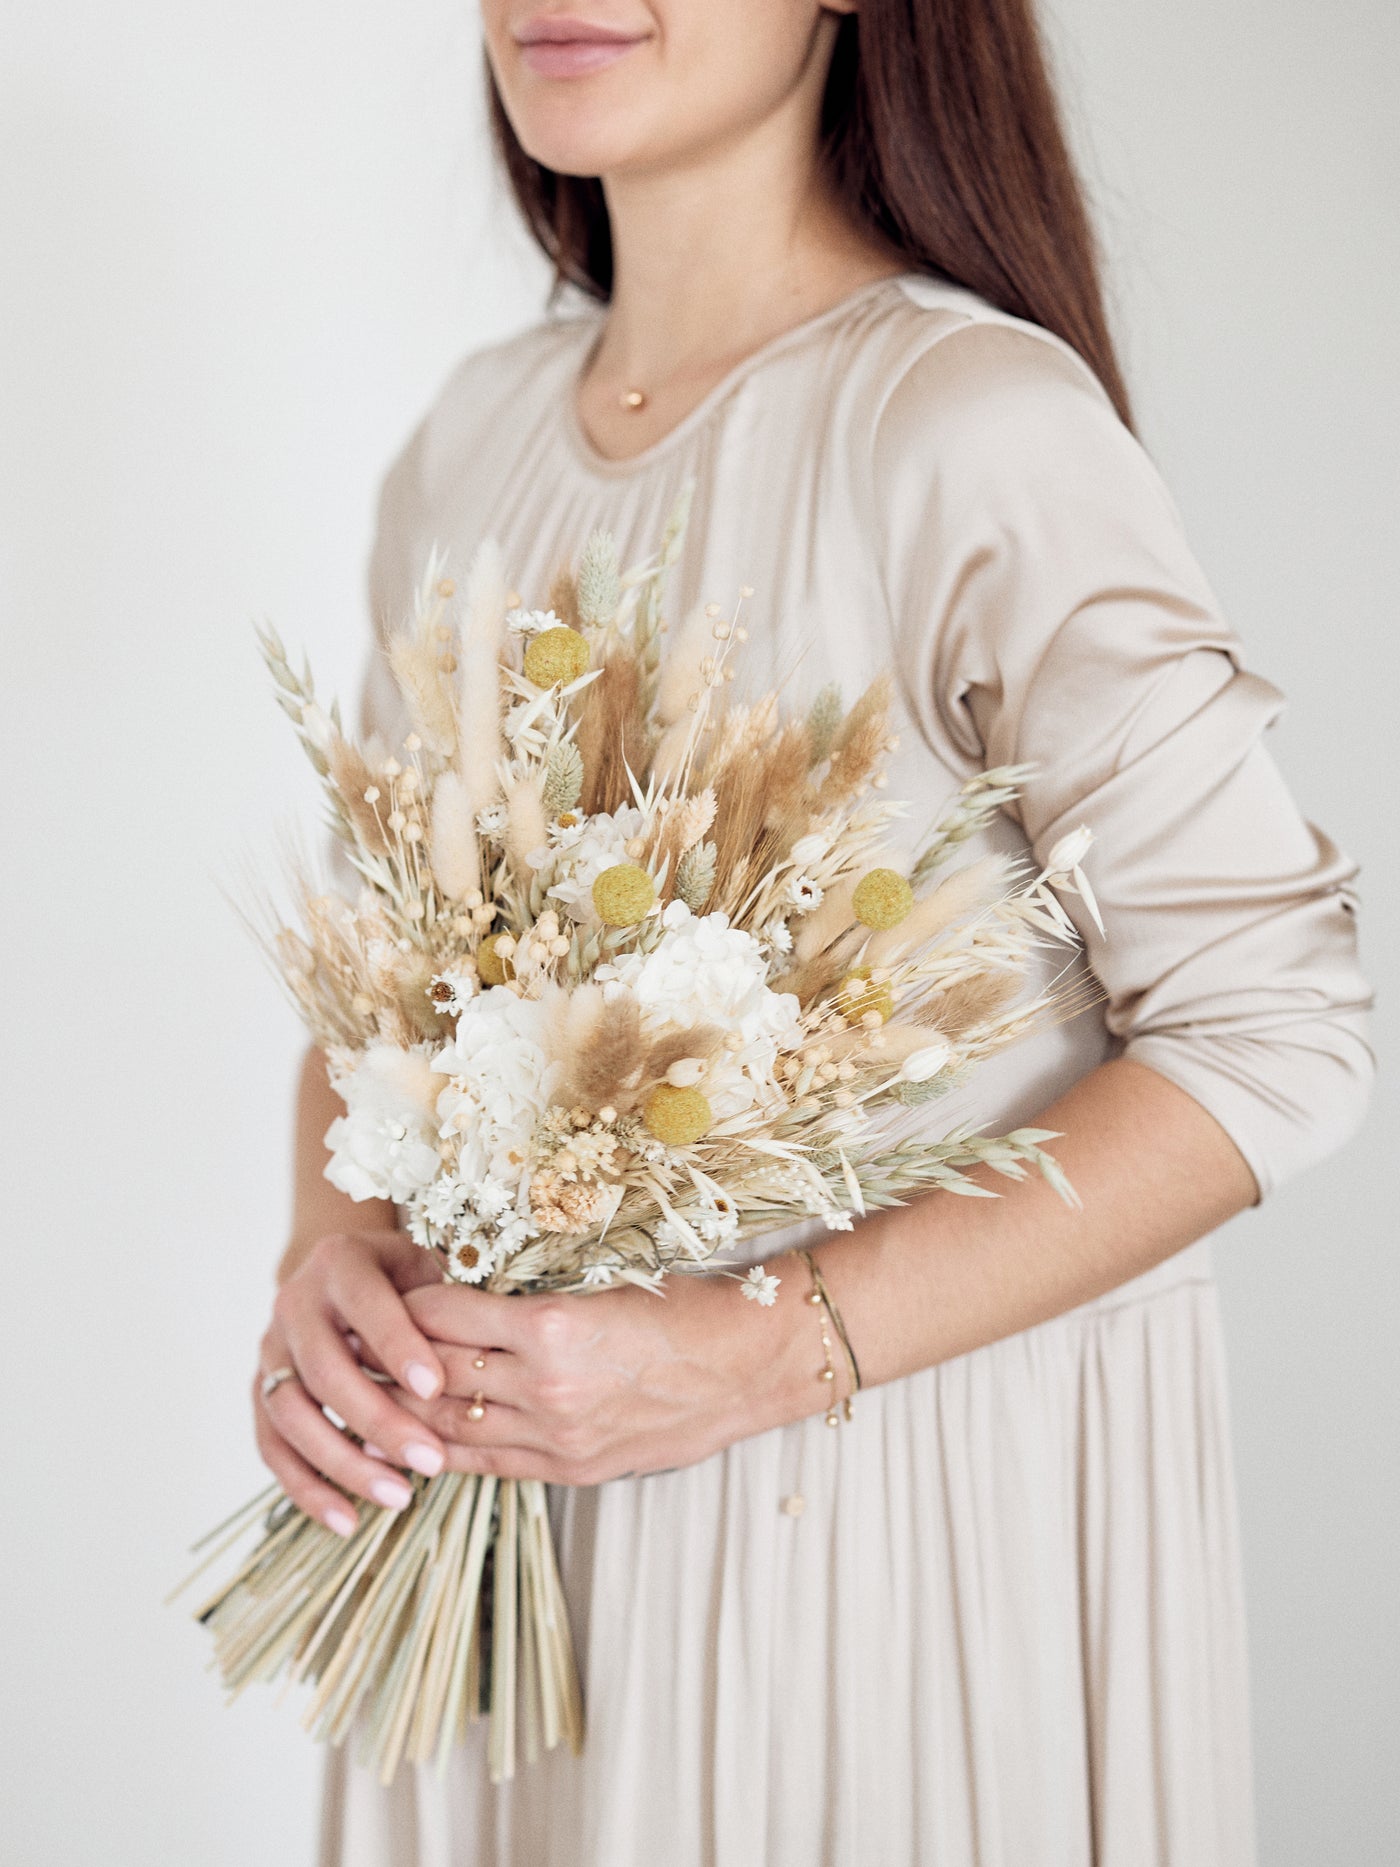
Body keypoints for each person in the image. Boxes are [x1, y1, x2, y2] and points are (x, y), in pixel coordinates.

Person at [254, 4, 1374, 1862]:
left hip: (868, 1551)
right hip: (507, 1566)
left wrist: (762, 1353)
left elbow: (1276, 1039)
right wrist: (334, 1273)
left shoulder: (966, 428)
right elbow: (380, 1007)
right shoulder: (462, 447)